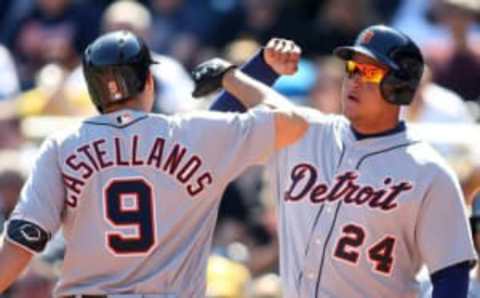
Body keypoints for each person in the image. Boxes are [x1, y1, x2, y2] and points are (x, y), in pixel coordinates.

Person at [0, 30, 308, 296]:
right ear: (149, 80)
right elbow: (294, 122)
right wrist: (234, 76)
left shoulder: (62, 145)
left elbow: (21, 243)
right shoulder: (193, 135)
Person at [207, 25, 476, 298]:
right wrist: (263, 67)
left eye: (369, 71)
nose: (355, 79)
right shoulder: (302, 131)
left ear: (399, 86)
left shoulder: (429, 173)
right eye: (352, 68)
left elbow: (451, 277)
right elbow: (213, 132)